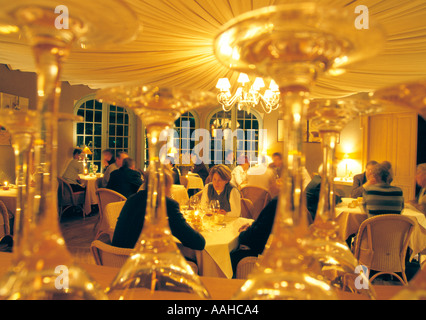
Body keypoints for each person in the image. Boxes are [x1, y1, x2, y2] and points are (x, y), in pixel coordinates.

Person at [112, 167, 205, 250]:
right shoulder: (166, 204)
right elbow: (198, 243)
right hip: (140, 264)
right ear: (165, 185)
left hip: (114, 259)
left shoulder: (132, 199)